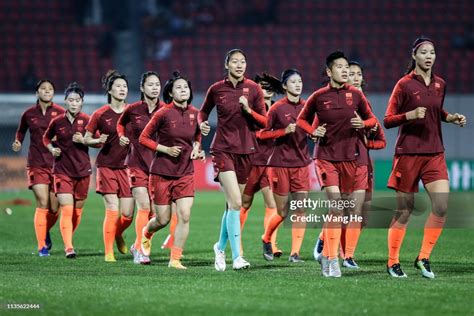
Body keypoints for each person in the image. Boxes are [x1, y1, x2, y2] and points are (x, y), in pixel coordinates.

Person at [383, 36, 467, 278]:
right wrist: (409, 115)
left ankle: (423, 257)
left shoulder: (440, 83)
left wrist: (449, 117)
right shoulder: (404, 84)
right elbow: (388, 120)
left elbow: (435, 110)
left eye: (432, 52)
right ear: (414, 56)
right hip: (408, 153)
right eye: (424, 52)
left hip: (434, 153)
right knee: (405, 210)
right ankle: (392, 262)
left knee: (441, 206)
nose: (429, 56)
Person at [297, 51, 377, 277]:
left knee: (348, 211)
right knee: (337, 207)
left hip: (351, 159)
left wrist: (363, 123)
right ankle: (332, 260)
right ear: (329, 72)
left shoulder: (357, 96)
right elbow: (301, 120)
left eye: (346, 67)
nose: (345, 70)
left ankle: (328, 254)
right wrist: (314, 131)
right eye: (340, 67)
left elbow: (372, 120)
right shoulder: (319, 96)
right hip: (325, 158)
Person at [313, 61, 387, 269]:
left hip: (362, 163)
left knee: (360, 213)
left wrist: (367, 140)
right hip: (340, 160)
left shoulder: (365, 107)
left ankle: (342, 252)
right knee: (341, 209)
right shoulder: (334, 102)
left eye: (357, 73)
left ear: (362, 79)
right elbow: (317, 125)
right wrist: (314, 133)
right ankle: (336, 251)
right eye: (350, 72)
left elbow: (381, 139)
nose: (353, 76)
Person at [199, 48, 267, 271]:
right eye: (235, 61)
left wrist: (248, 110)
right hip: (223, 150)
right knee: (237, 202)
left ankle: (219, 247)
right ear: (227, 64)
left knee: (231, 206)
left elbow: (263, 122)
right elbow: (203, 112)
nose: (240, 65)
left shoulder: (254, 89)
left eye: (243, 61)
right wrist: (202, 123)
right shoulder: (216, 89)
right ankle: (237, 257)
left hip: (247, 151)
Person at [139, 72, 205, 269]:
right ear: (170, 92)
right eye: (179, 87)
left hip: (185, 172)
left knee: (184, 215)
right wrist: (165, 149)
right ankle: (146, 233)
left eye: (186, 87)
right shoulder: (163, 113)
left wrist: (197, 149)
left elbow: (197, 136)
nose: (183, 90)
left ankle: (175, 259)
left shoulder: (196, 113)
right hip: (161, 172)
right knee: (163, 219)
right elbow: (144, 138)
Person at [260, 69, 310, 263]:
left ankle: (295, 253)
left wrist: (316, 132)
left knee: (300, 210)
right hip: (279, 165)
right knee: (282, 212)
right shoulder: (277, 108)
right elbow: (262, 134)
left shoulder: (307, 107)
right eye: (293, 82)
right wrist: (282, 131)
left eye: (300, 81)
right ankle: (266, 238)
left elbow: (313, 128)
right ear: (284, 86)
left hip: (302, 164)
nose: (298, 85)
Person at [84, 70, 134, 262]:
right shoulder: (100, 114)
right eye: (119, 86)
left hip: (128, 168)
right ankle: (108, 253)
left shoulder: (132, 112)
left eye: (125, 86)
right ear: (110, 90)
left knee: (128, 214)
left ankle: (118, 233)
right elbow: (86, 138)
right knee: (112, 209)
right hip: (106, 166)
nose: (122, 89)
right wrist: (97, 140)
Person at [116, 71, 166, 264]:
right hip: (136, 164)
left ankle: (138, 245)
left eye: (157, 84)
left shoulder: (167, 110)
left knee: (155, 213)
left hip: (159, 166)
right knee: (144, 207)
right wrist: (121, 135)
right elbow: (120, 124)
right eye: (151, 84)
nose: (155, 87)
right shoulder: (133, 109)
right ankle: (141, 252)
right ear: (142, 88)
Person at [12, 79, 65, 256]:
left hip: (57, 164)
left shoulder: (60, 113)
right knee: (42, 203)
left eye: (50, 88)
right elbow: (21, 130)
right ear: (37, 93)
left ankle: (45, 230)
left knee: (55, 208)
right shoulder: (29, 113)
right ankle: (42, 245)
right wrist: (18, 141)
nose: (47, 91)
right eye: (43, 88)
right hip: (36, 163)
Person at [43, 83, 92, 258]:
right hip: (62, 170)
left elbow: (100, 142)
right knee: (66, 208)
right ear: (65, 102)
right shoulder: (56, 122)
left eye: (77, 100)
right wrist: (51, 149)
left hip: (82, 171)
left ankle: (67, 236)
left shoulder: (88, 120)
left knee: (76, 213)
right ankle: (69, 247)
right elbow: (46, 138)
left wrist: (85, 141)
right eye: (70, 100)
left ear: (81, 102)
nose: (73, 103)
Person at [240, 73, 284, 257]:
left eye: (269, 87)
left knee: (272, 203)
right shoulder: (247, 108)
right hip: (250, 162)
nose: (265, 90)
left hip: (269, 162)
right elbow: (255, 134)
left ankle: (271, 244)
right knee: (243, 203)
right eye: (261, 86)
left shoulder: (276, 108)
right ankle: (237, 245)